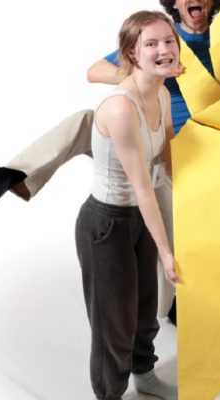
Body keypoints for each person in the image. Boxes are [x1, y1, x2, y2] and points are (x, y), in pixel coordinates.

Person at [0, 0, 220, 325]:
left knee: (163, 232)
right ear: (175, 5)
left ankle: (170, 300)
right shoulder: (158, 35)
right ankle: (9, 178)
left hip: (185, 151)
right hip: (136, 135)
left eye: (168, 44)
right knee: (87, 120)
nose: (164, 47)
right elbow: (94, 71)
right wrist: (146, 70)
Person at [75, 10, 181, 400]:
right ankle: (109, 394)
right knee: (114, 323)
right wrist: (167, 252)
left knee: (145, 309)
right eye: (151, 44)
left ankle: (145, 375)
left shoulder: (163, 94)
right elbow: (142, 186)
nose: (164, 50)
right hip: (107, 223)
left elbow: (167, 159)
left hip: (140, 217)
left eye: (168, 41)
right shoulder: (121, 107)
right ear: (132, 53)